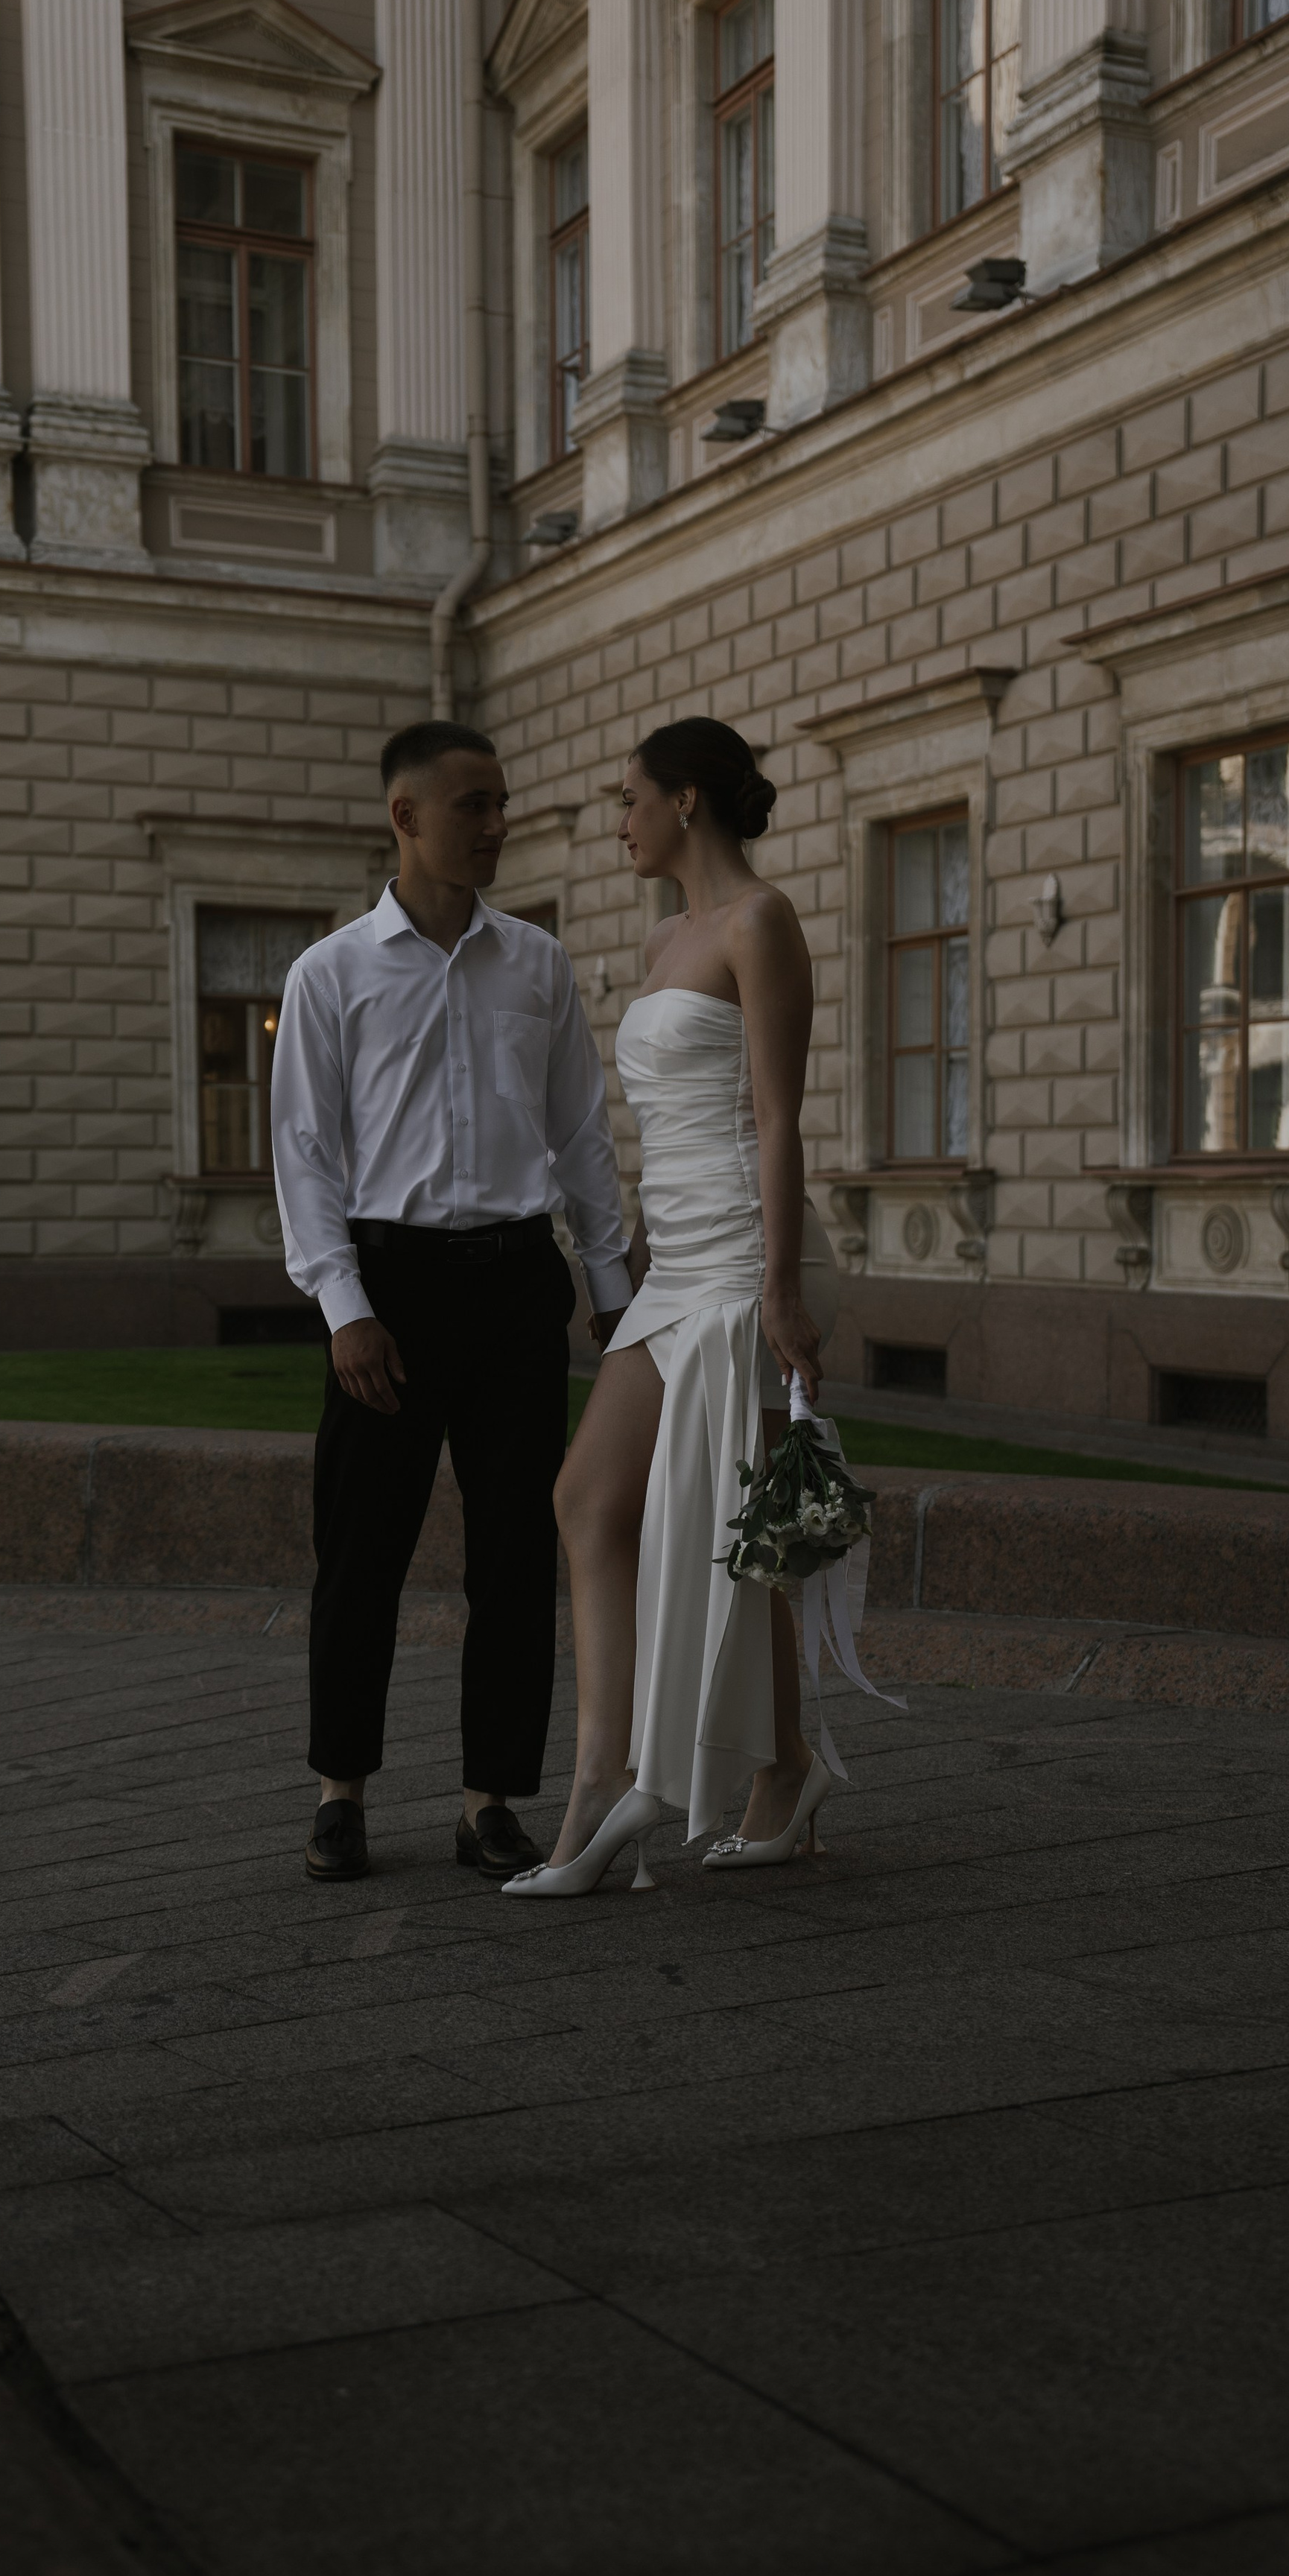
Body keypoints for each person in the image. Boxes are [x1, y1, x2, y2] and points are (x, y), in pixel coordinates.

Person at [271, 720, 632, 1882]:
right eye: (473, 804)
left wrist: (612, 1288)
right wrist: (344, 1306)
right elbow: (305, 1154)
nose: (497, 823)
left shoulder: (538, 962)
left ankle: (491, 1802)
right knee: (360, 1554)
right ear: (405, 818)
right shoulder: (329, 974)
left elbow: (581, 1133)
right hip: (391, 1289)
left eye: (503, 803)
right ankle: (341, 1795)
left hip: (520, 1281)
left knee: (516, 1558)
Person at [504, 717, 841, 1899]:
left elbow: (777, 1117)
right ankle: (615, 1775)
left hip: (746, 1263)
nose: (619, 820)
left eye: (629, 799)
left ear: (687, 800)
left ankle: (770, 1776)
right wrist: (638, 1245)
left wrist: (786, 1290)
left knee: (743, 1533)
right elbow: (668, 1124)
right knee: (588, 1499)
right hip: (675, 1261)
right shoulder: (658, 941)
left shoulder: (763, 921)